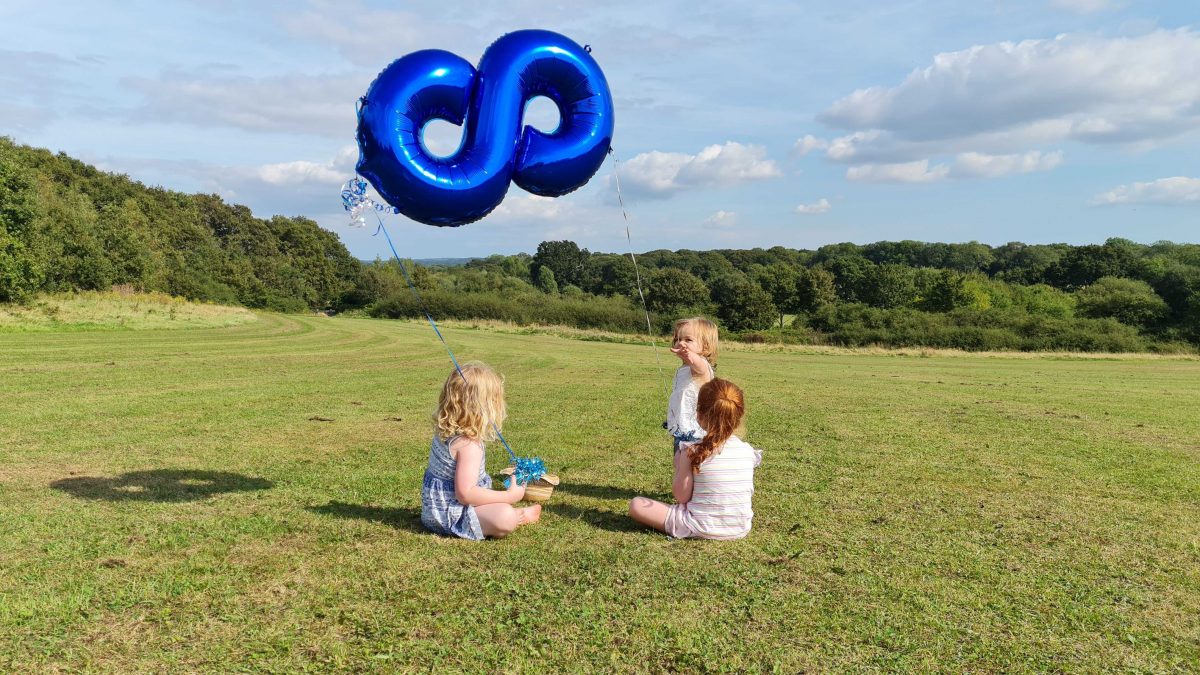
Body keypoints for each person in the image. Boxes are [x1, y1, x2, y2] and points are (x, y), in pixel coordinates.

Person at [420, 362, 541, 540]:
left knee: (500, 511)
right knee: (504, 516)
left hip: (433, 515)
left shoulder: (444, 434)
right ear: (484, 407)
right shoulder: (468, 446)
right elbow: (465, 494)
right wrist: (509, 496)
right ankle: (517, 516)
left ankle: (507, 514)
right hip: (453, 517)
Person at [631, 378, 761, 540]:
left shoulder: (691, 451)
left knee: (637, 504)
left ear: (699, 414)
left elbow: (681, 496)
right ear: (738, 417)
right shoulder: (748, 451)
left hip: (696, 524)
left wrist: (680, 465)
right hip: (739, 528)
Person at [666, 317, 718, 454]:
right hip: (682, 431)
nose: (680, 343)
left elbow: (697, 363)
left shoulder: (701, 366)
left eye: (688, 340)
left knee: (690, 468)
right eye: (677, 339)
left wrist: (689, 355)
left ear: (705, 346)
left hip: (695, 434)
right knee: (681, 465)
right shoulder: (685, 368)